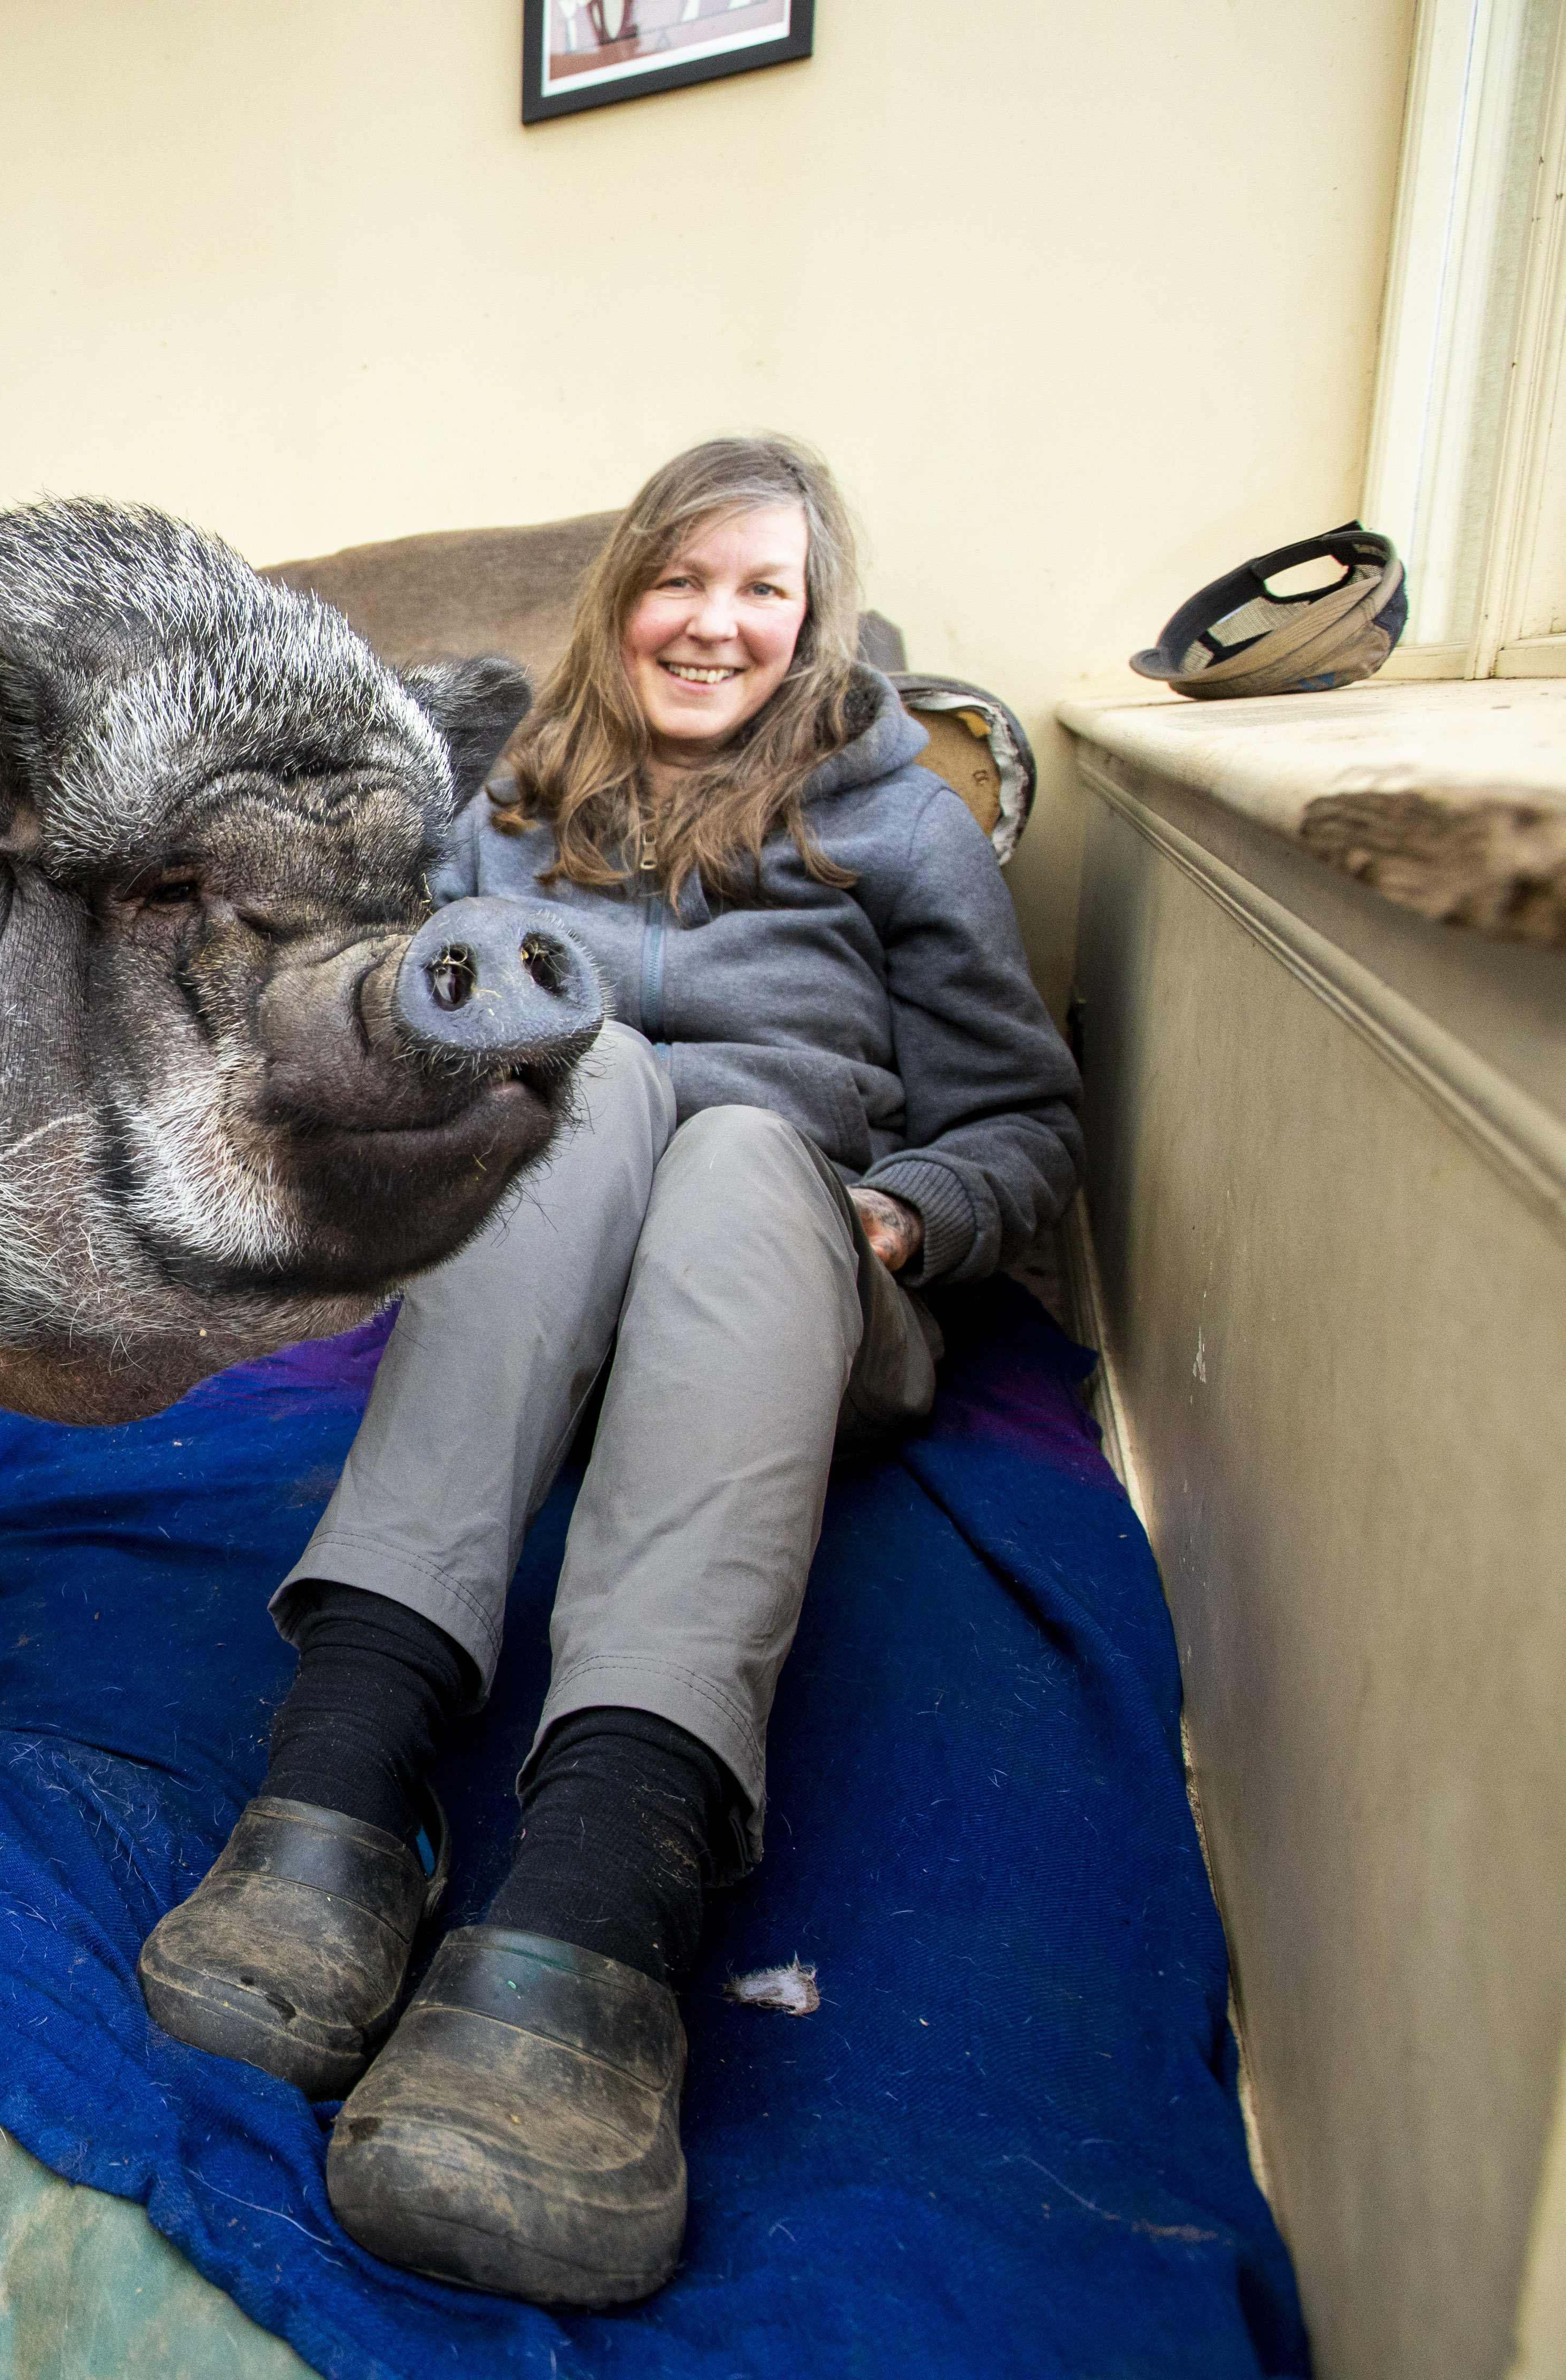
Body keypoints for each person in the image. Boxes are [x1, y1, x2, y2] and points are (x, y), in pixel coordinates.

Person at [137, 435, 1081, 2307]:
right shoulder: (508, 805)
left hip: (800, 1264)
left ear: (812, 622)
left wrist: (899, 1220)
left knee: (727, 1143)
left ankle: (604, 1908)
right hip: (550, 1277)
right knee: (590, 1086)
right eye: (684, 581)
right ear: (623, 592)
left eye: (764, 591)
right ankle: (346, 1791)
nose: (717, 624)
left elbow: (1024, 1126)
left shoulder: (904, 823)